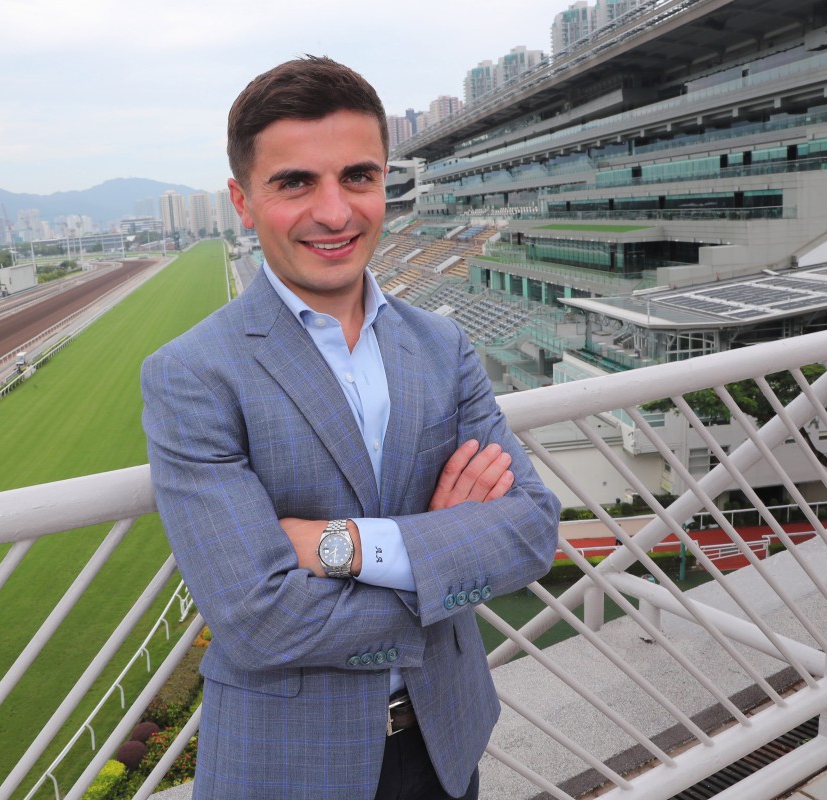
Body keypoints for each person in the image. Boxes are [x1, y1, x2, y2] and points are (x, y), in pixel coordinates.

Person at [140, 55, 560, 800]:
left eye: (358, 177)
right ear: (242, 201)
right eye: (296, 182)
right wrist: (447, 557)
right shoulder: (192, 373)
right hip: (291, 767)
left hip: (448, 737)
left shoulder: (441, 343)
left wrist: (341, 545)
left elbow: (529, 532)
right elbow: (257, 619)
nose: (335, 213)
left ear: (384, 183)